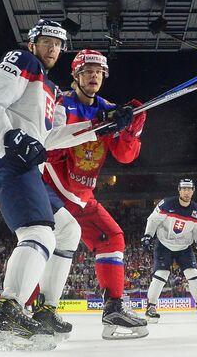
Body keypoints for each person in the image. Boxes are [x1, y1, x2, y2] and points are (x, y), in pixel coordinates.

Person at [0, 19, 96, 351]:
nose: (53, 48)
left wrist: (101, 127)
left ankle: (45, 312)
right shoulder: (23, 61)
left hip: (24, 162)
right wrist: (10, 136)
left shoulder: (50, 90)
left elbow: (50, 138)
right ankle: (9, 309)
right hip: (3, 156)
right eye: (46, 41)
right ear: (32, 43)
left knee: (68, 231)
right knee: (38, 233)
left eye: (58, 44)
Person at [41, 49, 149, 340]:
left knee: (112, 237)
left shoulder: (109, 109)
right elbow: (52, 147)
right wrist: (99, 126)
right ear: (75, 75)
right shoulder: (61, 103)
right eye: (88, 70)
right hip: (53, 190)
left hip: (83, 196)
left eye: (99, 71)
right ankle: (31, 312)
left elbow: (125, 156)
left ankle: (113, 311)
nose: (94, 76)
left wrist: (132, 129)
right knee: (47, 246)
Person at [141, 178, 197, 322]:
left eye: (189, 189)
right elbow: (153, 220)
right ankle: (150, 307)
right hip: (164, 244)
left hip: (184, 247)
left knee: (194, 274)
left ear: (193, 191)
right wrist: (148, 235)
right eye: (184, 189)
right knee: (160, 275)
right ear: (179, 190)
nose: (186, 192)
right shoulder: (166, 204)